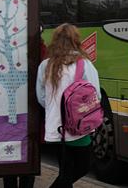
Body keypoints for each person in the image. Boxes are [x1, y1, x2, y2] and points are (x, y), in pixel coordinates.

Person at [37, 24, 101, 187]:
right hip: (77, 128)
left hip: (54, 127)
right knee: (82, 167)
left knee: (65, 169)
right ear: (76, 41)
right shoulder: (84, 64)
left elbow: (41, 98)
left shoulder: (46, 65)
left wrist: (55, 110)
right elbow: (96, 96)